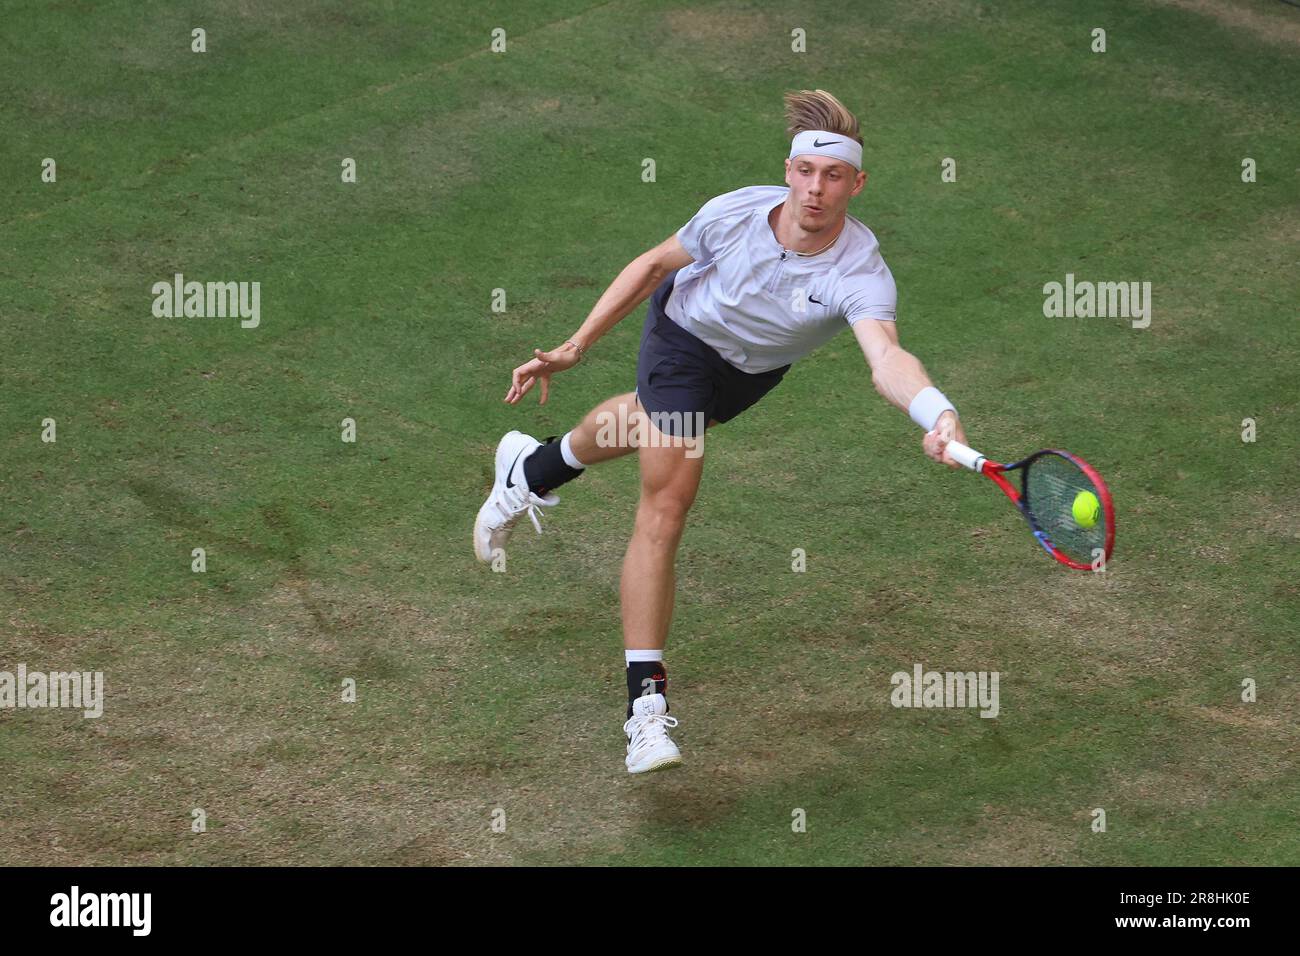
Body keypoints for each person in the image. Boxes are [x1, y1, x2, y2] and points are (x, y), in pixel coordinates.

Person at [474, 89, 968, 774]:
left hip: (750, 374)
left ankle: (531, 469)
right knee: (667, 505)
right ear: (789, 169)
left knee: (649, 427)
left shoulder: (860, 271)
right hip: (683, 338)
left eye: (833, 177)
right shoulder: (734, 213)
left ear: (856, 183)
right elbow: (652, 265)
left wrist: (936, 412)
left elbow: (886, 357)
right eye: (805, 171)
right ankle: (645, 714)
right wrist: (577, 344)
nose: (815, 189)